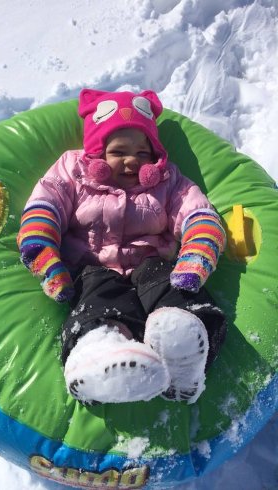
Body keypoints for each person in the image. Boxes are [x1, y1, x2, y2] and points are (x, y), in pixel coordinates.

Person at [17, 88, 227, 406]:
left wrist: (197, 254)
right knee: (97, 292)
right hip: (91, 264)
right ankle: (101, 353)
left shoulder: (167, 180)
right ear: (97, 153)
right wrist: (42, 251)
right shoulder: (73, 171)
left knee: (169, 284)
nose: (132, 161)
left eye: (143, 153)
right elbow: (45, 205)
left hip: (150, 261)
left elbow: (198, 214)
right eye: (118, 152)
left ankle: (182, 349)